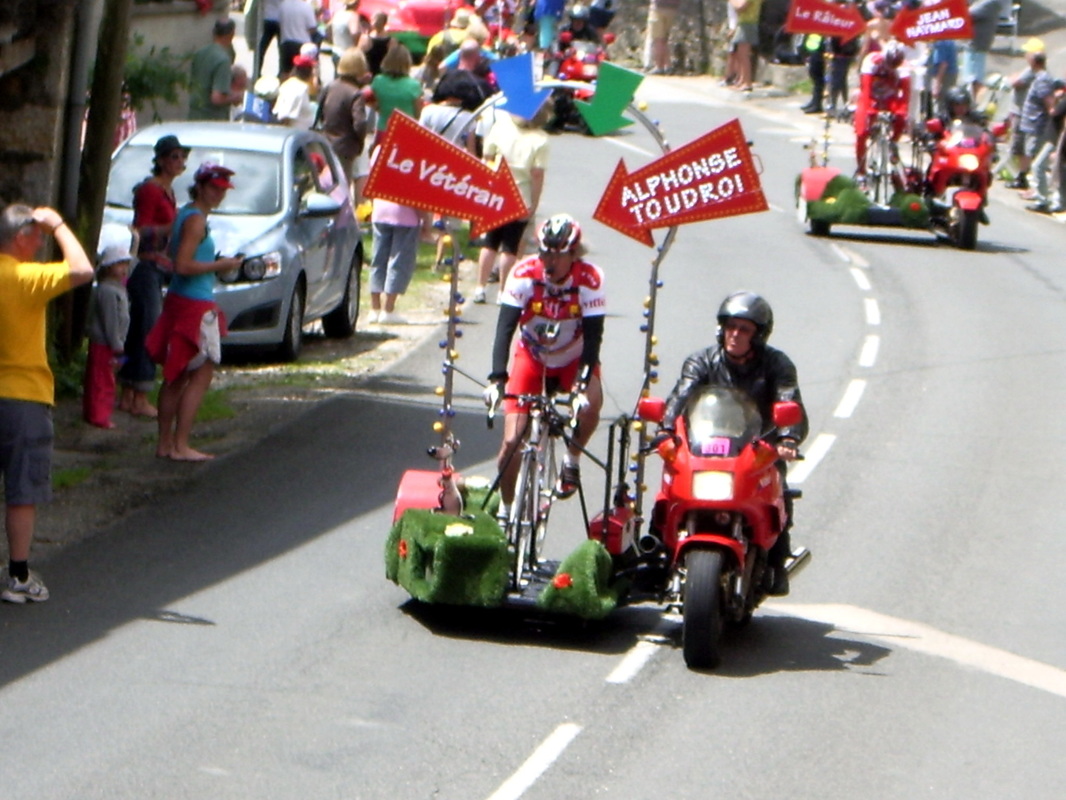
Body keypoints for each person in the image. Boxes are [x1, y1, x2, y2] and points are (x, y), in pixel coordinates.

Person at [659, 291, 808, 596]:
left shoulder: (777, 364)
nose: (735, 335)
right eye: (730, 327)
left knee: (778, 490)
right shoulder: (702, 361)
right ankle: (658, 552)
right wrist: (664, 429)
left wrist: (788, 437)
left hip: (756, 449)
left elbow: (789, 401)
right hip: (704, 447)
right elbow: (681, 396)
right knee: (669, 492)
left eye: (744, 330)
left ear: (759, 336)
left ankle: (777, 560)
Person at [0, 204, 94, 603]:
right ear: (21, 237)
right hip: (23, 396)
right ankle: (18, 575)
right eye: (37, 237)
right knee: (23, 489)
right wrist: (58, 225)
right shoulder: (25, 278)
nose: (41, 245)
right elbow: (82, 269)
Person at [483, 214, 605, 515]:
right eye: (544, 252)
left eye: (557, 255)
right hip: (533, 357)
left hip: (573, 357)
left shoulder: (590, 278)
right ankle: (507, 511)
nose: (549, 261)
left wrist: (581, 384)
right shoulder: (524, 272)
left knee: (591, 402)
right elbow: (504, 329)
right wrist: (497, 378)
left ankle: (571, 460)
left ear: (574, 254)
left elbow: (593, 339)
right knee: (511, 443)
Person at [145, 163, 244, 462]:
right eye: (214, 188)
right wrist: (221, 265)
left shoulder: (185, 213)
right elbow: (183, 265)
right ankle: (180, 444)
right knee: (199, 374)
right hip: (194, 304)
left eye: (223, 189)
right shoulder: (196, 221)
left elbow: (175, 257)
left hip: (180, 300)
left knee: (175, 374)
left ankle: (166, 443)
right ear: (199, 186)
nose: (219, 194)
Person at [119, 134, 189, 420]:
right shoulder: (151, 191)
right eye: (174, 156)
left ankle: (129, 394)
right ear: (160, 160)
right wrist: (170, 228)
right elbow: (141, 229)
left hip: (159, 267)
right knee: (147, 329)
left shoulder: (168, 192)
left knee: (140, 328)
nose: (180, 161)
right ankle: (139, 394)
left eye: (182, 156)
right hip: (146, 266)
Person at [473, 104, 551, 303]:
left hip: (497, 193)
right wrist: (534, 202)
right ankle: (503, 291)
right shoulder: (541, 139)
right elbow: (537, 174)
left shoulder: (501, 126)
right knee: (510, 247)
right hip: (521, 196)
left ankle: (480, 287)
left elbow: (487, 157)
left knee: (490, 243)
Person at [83, 242, 132, 430]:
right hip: (106, 344)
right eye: (119, 264)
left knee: (102, 378)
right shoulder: (108, 291)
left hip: (111, 343)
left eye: (125, 264)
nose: (124, 269)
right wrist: (117, 345)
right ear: (108, 267)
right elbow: (110, 320)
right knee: (103, 380)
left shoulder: (117, 288)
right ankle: (99, 415)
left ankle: (94, 412)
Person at [854, 42, 911, 180]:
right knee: (861, 131)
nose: (891, 67)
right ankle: (861, 171)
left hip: (890, 96)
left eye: (895, 65)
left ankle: (894, 142)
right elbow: (865, 89)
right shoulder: (872, 60)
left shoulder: (903, 66)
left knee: (902, 116)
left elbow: (905, 95)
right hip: (871, 96)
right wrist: (868, 111)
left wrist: (901, 113)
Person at [319, 47, 370, 198]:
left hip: (327, 143)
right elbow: (360, 124)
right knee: (342, 188)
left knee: (328, 185)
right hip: (346, 147)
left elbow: (320, 113)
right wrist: (360, 142)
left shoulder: (330, 87)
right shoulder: (355, 94)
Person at [1017, 51, 1059, 213]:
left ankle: (1041, 194)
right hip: (1032, 124)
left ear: (1034, 61)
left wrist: (1054, 114)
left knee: (1037, 160)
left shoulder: (1042, 79)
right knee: (1034, 159)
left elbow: (1049, 104)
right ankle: (1037, 191)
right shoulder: (1039, 77)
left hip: (1037, 125)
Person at [1005, 38, 1046, 190]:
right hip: (1022, 112)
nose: (1025, 55)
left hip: (1023, 113)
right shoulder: (1033, 71)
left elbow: (1014, 82)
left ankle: (1022, 176)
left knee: (1021, 146)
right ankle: (1020, 174)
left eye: (1027, 52)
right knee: (1019, 146)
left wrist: (1012, 78)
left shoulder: (1032, 72)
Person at [367, 43, 423, 145]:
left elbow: (373, 103)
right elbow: (418, 114)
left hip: (383, 129)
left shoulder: (378, 81)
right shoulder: (414, 85)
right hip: (406, 132)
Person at [188, 17, 242, 120]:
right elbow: (217, 98)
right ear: (232, 34)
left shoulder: (200, 53)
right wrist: (237, 97)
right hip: (212, 119)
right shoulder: (223, 60)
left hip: (194, 114)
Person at [273, 53, 317, 128]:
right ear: (308, 72)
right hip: (297, 131)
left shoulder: (290, 83)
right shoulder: (299, 90)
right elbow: (285, 116)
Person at [278, 0, 318, 77]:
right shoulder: (306, 7)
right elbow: (312, 27)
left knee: (285, 72)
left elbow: (279, 23)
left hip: (286, 43)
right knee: (302, 74)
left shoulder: (283, 5)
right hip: (302, 44)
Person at [729, 0, 762, 92]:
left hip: (748, 24)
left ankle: (747, 82)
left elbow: (741, 7)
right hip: (744, 23)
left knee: (744, 55)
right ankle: (742, 80)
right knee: (740, 54)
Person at [645, 0, 680, 75]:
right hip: (673, 8)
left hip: (658, 8)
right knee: (665, 39)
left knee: (658, 39)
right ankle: (668, 66)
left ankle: (659, 67)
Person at [257, 0, 282, 79]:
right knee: (281, 49)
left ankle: (257, 69)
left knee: (262, 48)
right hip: (280, 19)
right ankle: (281, 73)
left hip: (268, 18)